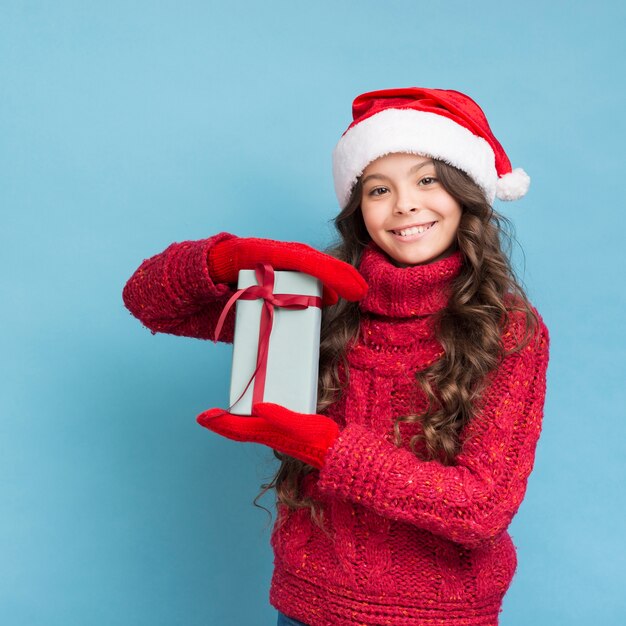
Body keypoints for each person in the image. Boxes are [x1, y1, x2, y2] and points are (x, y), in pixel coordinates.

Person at [122, 87, 550, 626]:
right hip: (307, 605)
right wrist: (222, 260)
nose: (405, 204)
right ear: (358, 209)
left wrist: (329, 449)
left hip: (440, 614)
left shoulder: (509, 330)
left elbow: (482, 506)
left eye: (427, 180)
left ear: (467, 194)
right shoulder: (317, 304)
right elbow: (148, 304)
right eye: (378, 189)